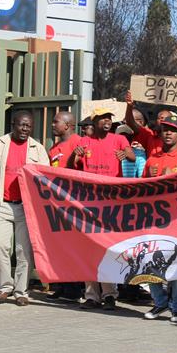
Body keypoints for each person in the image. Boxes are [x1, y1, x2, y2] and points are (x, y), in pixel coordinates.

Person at [0, 110, 49, 306]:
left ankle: (21, 291)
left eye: (28, 126)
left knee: (24, 250)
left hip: (27, 208)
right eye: (21, 125)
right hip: (2, 205)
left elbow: (45, 177)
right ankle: (5, 287)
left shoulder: (38, 149)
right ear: (13, 125)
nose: (25, 129)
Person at [70, 107, 135, 310]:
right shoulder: (85, 141)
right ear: (94, 121)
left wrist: (125, 154)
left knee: (108, 248)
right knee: (89, 249)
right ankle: (91, 296)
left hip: (111, 204)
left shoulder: (118, 139)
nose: (107, 121)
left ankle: (109, 295)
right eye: (103, 118)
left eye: (109, 118)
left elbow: (132, 156)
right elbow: (72, 167)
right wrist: (74, 155)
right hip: (89, 203)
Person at [141, 116, 177, 324]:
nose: (168, 133)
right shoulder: (152, 159)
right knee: (150, 263)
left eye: (173, 130)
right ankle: (160, 302)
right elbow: (143, 190)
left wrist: (173, 181)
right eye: (165, 129)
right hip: (154, 220)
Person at [46, 110, 83, 303]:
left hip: (75, 204)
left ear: (67, 125)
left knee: (74, 247)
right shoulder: (53, 149)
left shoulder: (80, 143)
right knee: (59, 247)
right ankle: (61, 285)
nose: (52, 125)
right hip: (57, 204)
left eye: (56, 122)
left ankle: (75, 289)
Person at [124, 91, 177, 155]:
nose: (162, 120)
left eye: (165, 118)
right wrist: (129, 106)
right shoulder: (149, 135)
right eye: (159, 118)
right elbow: (131, 123)